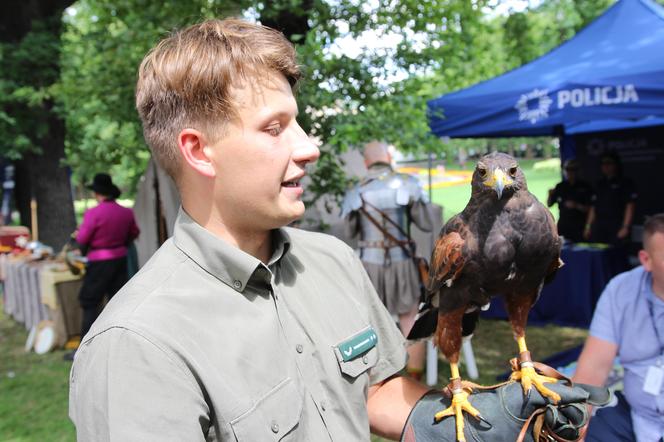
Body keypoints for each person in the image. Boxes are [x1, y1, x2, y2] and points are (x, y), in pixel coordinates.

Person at [69, 18, 605, 441]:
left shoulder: (331, 259)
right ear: (197, 150)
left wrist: (469, 425)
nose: (309, 146)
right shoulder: (137, 345)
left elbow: (370, 393)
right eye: (275, 128)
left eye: (298, 122)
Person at [341, 141, 431, 380]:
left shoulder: (357, 190)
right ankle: (415, 379)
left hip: (369, 263)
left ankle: (376, 381)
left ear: (366, 161)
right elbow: (425, 223)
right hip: (402, 261)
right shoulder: (407, 184)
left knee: (369, 320)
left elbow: (350, 233)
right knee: (410, 318)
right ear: (389, 157)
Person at [573, 213, 664, 441]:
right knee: (590, 429)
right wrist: (574, 429)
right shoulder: (622, 290)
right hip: (638, 414)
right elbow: (593, 369)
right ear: (646, 260)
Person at [64, 173, 139, 361]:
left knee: (90, 302)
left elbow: (82, 239)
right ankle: (120, 346)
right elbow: (134, 233)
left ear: (97, 193)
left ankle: (84, 351)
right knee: (118, 302)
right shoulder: (126, 212)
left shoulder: (93, 213)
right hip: (120, 260)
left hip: (99, 263)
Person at [584, 152, 637, 245]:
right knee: (599, 254)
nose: (606, 166)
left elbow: (630, 206)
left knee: (617, 254)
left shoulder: (625, 182)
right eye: (603, 164)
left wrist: (625, 227)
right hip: (600, 226)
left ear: (616, 165)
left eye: (609, 163)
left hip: (617, 225)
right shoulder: (599, 184)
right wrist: (588, 226)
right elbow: (593, 207)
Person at [547, 158, 593, 243]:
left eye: (573, 170)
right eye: (568, 169)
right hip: (563, 226)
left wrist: (576, 206)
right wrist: (550, 195)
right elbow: (549, 204)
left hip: (579, 226)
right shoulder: (560, 186)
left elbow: (591, 209)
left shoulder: (585, 187)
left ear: (577, 171)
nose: (570, 172)